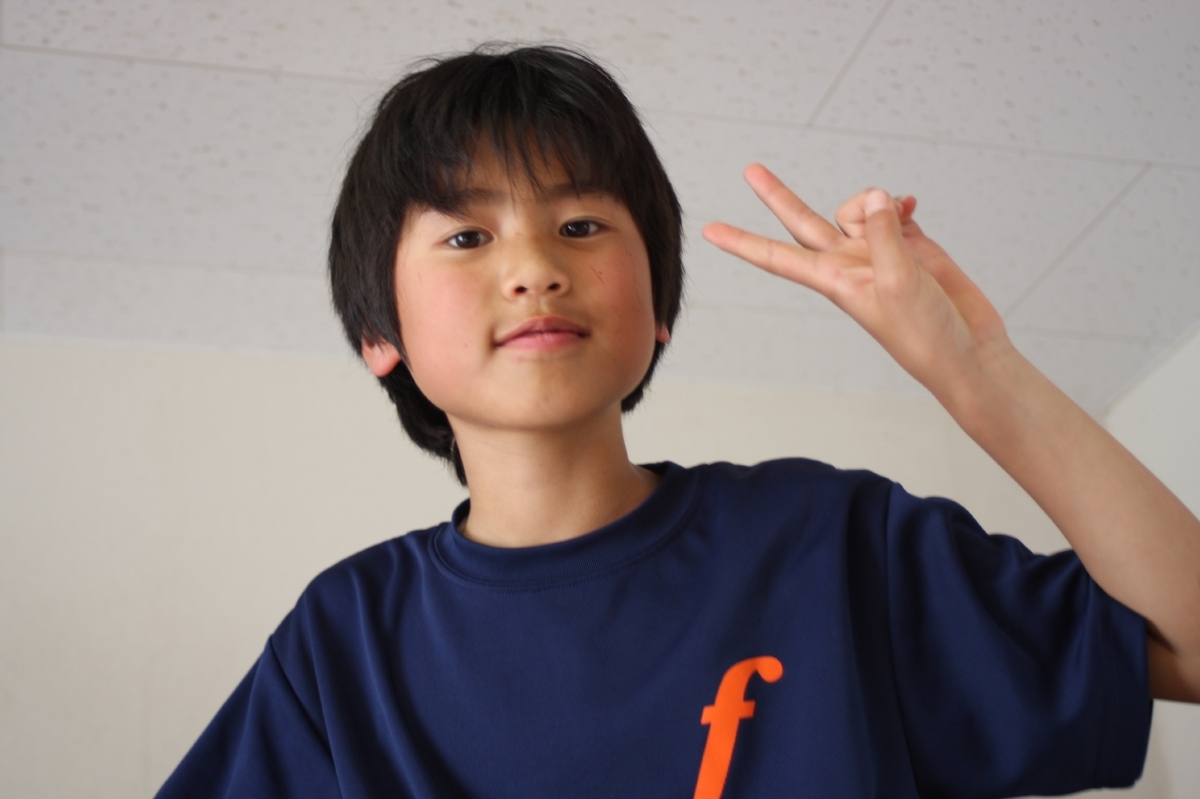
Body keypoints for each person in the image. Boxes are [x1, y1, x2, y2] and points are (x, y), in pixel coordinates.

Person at [157, 45, 1200, 798]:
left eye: (580, 223)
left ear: (659, 308)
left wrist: (982, 373)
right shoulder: (344, 643)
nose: (534, 267)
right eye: (468, 235)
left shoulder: (831, 543)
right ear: (378, 333)